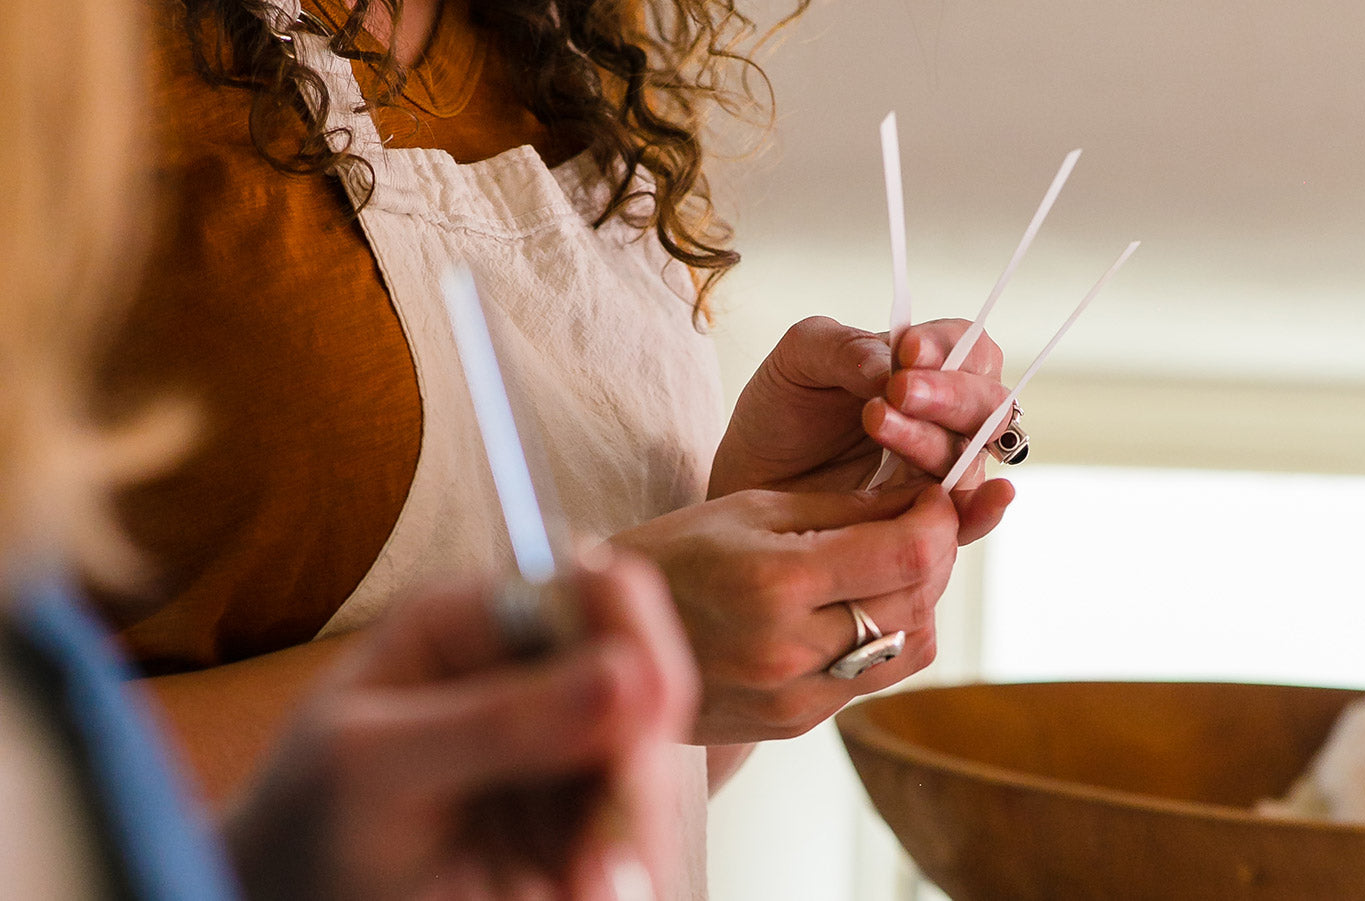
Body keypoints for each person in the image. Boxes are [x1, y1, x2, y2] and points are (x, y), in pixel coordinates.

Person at [97, 0, 1017, 893]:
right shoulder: (72, 57)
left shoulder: (560, 53)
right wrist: (595, 641)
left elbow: (628, 797)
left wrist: (770, 547)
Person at [2, 0, 700, 897]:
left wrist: (771, 568)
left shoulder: (572, 35)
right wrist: (645, 636)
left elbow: (654, 800)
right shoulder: (64, 49)